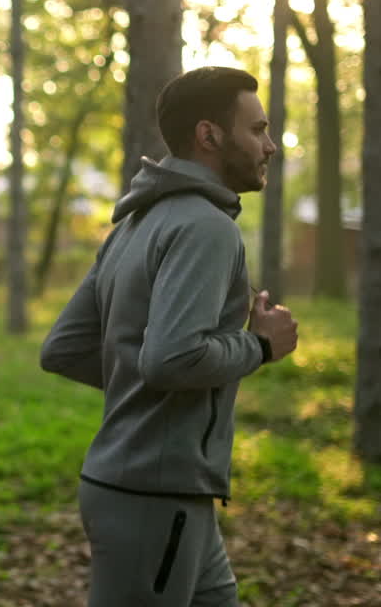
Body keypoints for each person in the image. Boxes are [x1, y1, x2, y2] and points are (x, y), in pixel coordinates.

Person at [40, 66, 299, 606]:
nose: (270, 146)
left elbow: (64, 350)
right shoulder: (206, 227)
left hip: (163, 493)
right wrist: (261, 345)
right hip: (152, 500)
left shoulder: (134, 225)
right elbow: (171, 359)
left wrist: (146, 384)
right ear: (210, 135)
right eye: (257, 130)